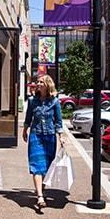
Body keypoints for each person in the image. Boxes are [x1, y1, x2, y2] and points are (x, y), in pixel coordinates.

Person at [22, 74, 65, 210]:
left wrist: (61, 136)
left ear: (47, 84)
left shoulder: (55, 102)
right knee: (36, 165)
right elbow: (29, 117)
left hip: (49, 136)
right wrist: (25, 130)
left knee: (46, 166)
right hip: (35, 135)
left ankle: (41, 189)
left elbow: (58, 121)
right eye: (37, 82)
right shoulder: (32, 101)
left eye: (41, 82)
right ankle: (40, 196)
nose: (38, 84)